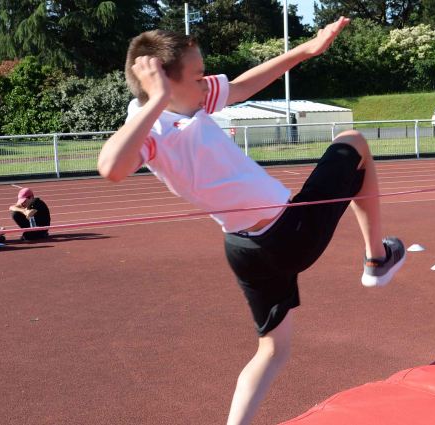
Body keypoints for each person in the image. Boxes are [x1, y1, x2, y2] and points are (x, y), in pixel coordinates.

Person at [97, 17, 405, 425]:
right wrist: (157, 100)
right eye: (200, 76)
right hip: (288, 232)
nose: (209, 84)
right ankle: (376, 258)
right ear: (164, 87)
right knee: (354, 143)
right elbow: (110, 168)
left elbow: (242, 86)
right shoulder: (152, 128)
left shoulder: (175, 105)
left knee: (273, 351)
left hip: (244, 249)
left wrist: (307, 50)